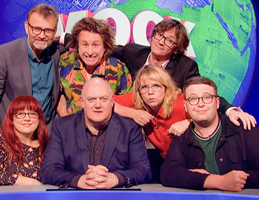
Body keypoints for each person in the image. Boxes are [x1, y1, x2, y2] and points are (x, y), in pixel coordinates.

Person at [113, 18, 256, 130]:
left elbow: (202, 91)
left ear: (176, 49)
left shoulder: (185, 67)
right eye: (159, 35)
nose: (161, 42)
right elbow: (102, 48)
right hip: (131, 123)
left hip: (164, 130)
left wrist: (230, 110)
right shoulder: (133, 52)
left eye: (169, 40)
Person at [41, 77, 151, 189]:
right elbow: (48, 171)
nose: (97, 105)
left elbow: (144, 170)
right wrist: (77, 180)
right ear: (82, 102)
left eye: (103, 99)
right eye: (91, 99)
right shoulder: (62, 127)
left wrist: (116, 179)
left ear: (112, 101)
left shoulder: (129, 128)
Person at [160, 77, 259, 192]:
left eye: (207, 97)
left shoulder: (243, 128)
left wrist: (239, 180)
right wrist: (216, 181)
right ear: (186, 106)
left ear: (217, 103)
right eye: (193, 99)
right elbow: (168, 173)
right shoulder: (181, 137)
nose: (200, 104)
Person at [0, 3, 66, 136]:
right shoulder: (4, 54)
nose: (42, 35)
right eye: (36, 29)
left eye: (48, 30)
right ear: (26, 27)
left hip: (47, 138)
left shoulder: (55, 53)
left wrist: (64, 38)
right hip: (14, 138)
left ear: (55, 31)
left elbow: (88, 42)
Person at [57, 17, 132, 116]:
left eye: (95, 45)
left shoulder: (118, 69)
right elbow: (56, 95)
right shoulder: (64, 63)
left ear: (105, 47)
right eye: (85, 45)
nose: (90, 52)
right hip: (70, 126)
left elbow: (128, 104)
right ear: (77, 46)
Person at [0, 95, 49, 186]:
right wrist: (32, 183)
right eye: (20, 114)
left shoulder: (47, 144)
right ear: (12, 119)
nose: (27, 118)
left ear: (39, 118)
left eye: (32, 114)